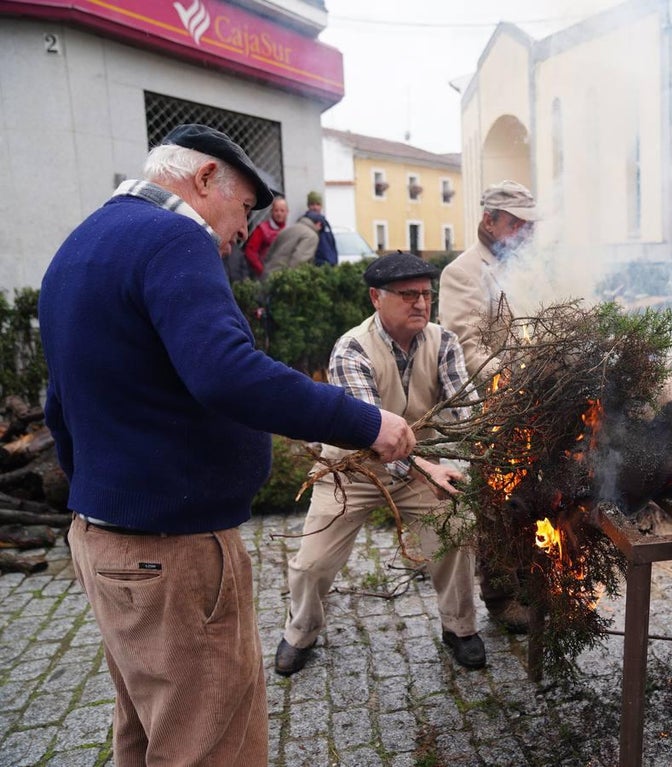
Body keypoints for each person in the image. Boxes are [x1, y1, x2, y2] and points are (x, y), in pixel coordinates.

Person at [38, 124, 416, 765]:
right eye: (244, 207)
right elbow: (227, 372)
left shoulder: (81, 246)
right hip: (171, 556)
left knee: (150, 731)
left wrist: (102, 501)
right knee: (211, 741)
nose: (245, 229)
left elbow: (59, 405)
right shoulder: (172, 238)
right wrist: (366, 423)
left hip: (104, 543)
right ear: (206, 178)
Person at [275, 251, 485, 674]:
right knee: (313, 564)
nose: (421, 304)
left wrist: (488, 450)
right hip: (354, 471)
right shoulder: (352, 349)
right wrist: (431, 467)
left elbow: (467, 409)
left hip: (418, 469)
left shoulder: (443, 341)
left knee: (458, 530)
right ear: (376, 297)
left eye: (426, 294)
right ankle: (301, 631)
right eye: (408, 295)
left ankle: (460, 627)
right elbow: (374, 438)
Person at [438, 179, 540, 633]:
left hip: (535, 403)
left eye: (528, 225)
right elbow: (465, 347)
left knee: (534, 497)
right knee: (496, 502)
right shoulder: (462, 272)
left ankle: (535, 576)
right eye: (516, 224)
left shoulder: (527, 265)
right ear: (489, 220)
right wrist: (518, 381)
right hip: (494, 408)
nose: (525, 234)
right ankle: (499, 596)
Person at [262, 211, 322, 277]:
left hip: (268, 274)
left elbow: (268, 255)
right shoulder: (311, 236)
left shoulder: (286, 229)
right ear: (318, 224)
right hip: (282, 280)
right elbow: (299, 261)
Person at [243, 194, 288, 278]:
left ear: (287, 212)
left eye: (282, 211)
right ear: (271, 212)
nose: (279, 214)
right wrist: (262, 270)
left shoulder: (288, 230)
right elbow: (250, 252)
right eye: (276, 210)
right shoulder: (261, 229)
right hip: (264, 275)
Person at [306, 190, 339, 267]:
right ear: (308, 206)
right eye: (312, 204)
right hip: (318, 265)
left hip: (330, 264)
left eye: (318, 204)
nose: (315, 207)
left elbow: (332, 245)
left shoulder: (325, 222)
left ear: (321, 206)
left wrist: (335, 261)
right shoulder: (307, 221)